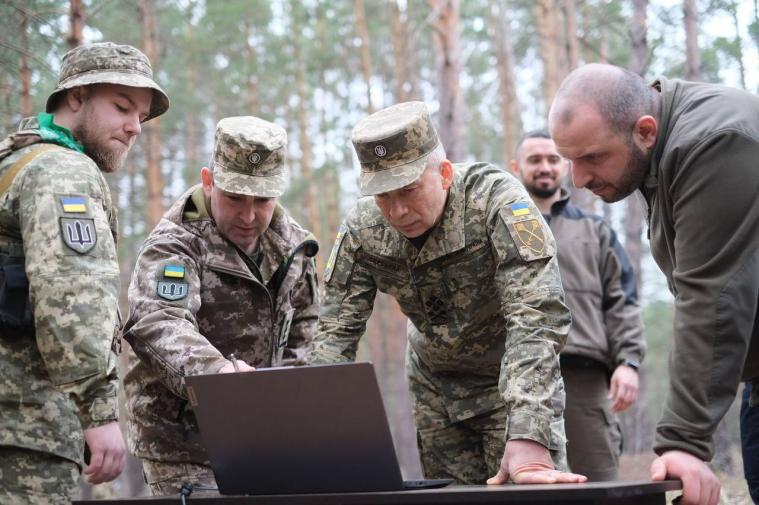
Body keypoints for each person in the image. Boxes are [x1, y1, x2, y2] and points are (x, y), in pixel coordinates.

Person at [309, 101, 586, 486]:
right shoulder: (364, 227)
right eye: (383, 195)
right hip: (435, 390)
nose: (398, 210)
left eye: (408, 190)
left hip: (511, 386)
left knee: (529, 491)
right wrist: (313, 434)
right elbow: (334, 334)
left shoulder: (495, 200)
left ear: (443, 173)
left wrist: (527, 429)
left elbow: (536, 314)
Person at [548, 63, 759, 505]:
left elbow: (711, 296)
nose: (579, 179)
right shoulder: (658, 150)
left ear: (644, 131)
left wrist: (683, 441)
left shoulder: (714, 140)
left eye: (591, 157)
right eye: (570, 160)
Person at [0, 42, 168, 504]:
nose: (135, 127)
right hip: (25, 428)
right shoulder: (62, 172)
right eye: (121, 107)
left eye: (142, 115)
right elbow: (70, 294)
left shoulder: (15, 164)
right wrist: (98, 412)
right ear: (76, 97)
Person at [122, 116, 320, 496]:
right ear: (209, 180)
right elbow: (159, 321)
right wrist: (217, 374)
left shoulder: (292, 246)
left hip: (269, 442)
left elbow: (308, 325)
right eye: (234, 198)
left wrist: (295, 402)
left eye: (262, 201)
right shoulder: (176, 244)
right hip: (186, 446)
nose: (248, 217)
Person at [511, 129, 646, 481]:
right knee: (520, 486)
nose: (545, 167)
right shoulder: (498, 230)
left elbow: (623, 300)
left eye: (553, 159)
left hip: (584, 379)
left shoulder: (595, 230)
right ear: (516, 167)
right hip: (513, 383)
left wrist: (628, 362)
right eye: (535, 160)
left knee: (599, 484)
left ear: (565, 165)